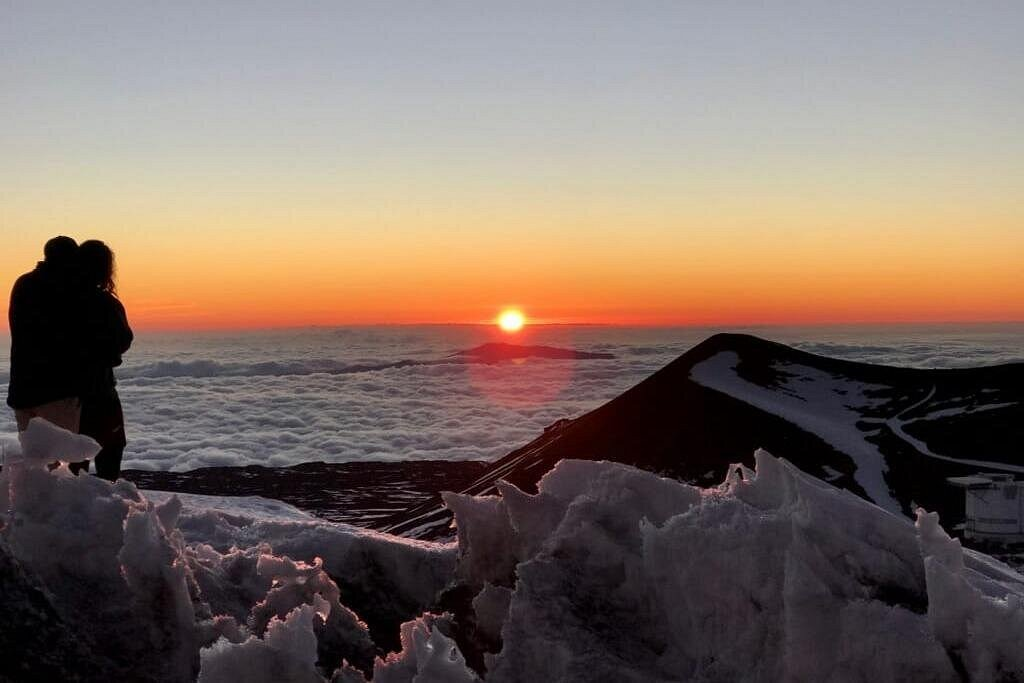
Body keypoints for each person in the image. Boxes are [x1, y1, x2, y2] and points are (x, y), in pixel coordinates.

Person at [7, 236, 86, 433]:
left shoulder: (23, 283)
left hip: (22, 390)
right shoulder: (65, 287)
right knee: (62, 459)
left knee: (33, 459)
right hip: (56, 391)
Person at [77, 240, 133, 481]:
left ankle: (69, 511)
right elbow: (123, 339)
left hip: (63, 394)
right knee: (110, 451)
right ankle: (106, 509)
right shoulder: (106, 303)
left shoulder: (60, 301)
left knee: (72, 460)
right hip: (100, 391)